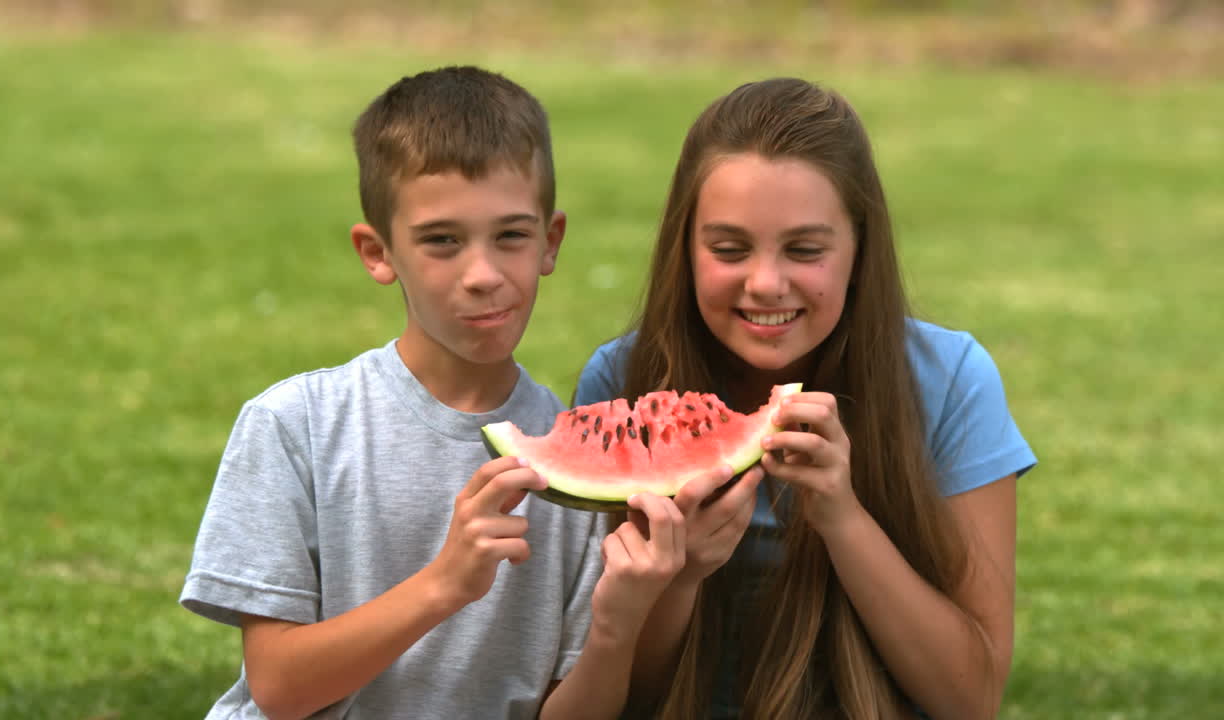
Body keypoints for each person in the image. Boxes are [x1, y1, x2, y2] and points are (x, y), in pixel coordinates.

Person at [179, 65, 702, 720]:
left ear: (550, 242)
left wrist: (618, 626)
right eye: (442, 241)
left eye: (511, 235)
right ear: (378, 253)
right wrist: (443, 585)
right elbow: (279, 688)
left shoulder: (578, 475)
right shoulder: (295, 425)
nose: (482, 274)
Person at [574, 77, 1037, 720]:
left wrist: (842, 518)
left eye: (805, 250)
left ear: (859, 249)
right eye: (729, 249)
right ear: (685, 248)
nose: (766, 283)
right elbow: (627, 700)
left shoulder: (951, 381)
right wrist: (680, 577)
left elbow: (971, 698)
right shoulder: (623, 383)